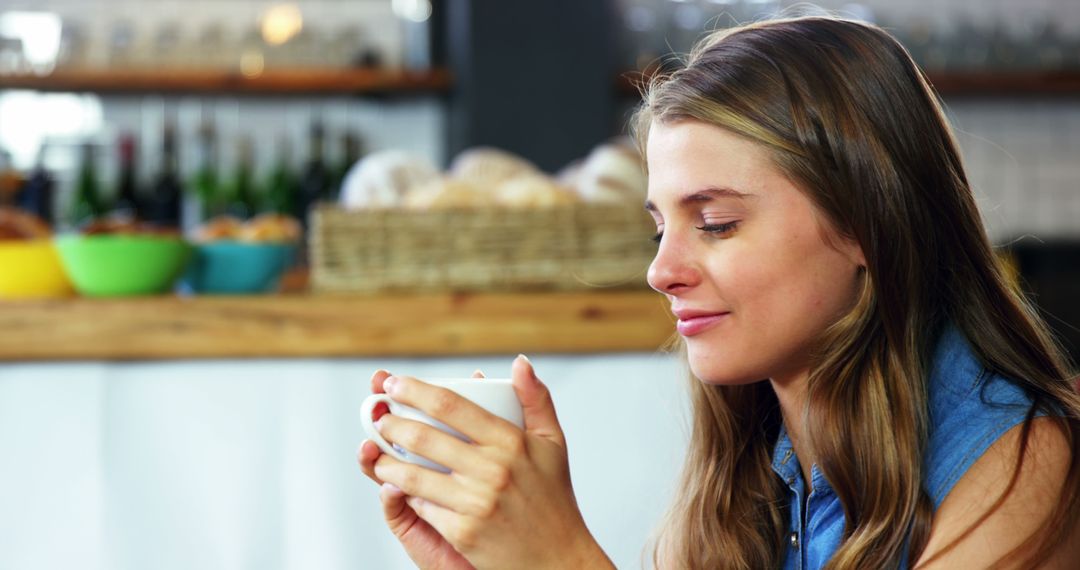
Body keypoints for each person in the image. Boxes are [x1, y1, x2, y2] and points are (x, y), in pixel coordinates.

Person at [357, 16, 1080, 569]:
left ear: (868, 225)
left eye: (717, 224)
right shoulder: (758, 462)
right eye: (659, 231)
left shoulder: (1026, 464)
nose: (661, 271)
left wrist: (563, 556)